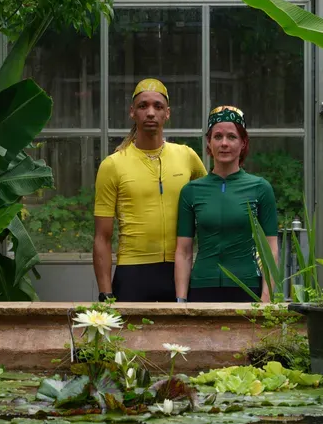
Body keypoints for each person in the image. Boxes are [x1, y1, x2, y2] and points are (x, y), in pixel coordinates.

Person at [93, 79, 207, 302]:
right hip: (132, 272)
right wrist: (105, 294)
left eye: (158, 106)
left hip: (180, 272)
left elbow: (210, 205)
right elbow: (102, 237)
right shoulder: (113, 164)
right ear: (132, 112)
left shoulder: (187, 156)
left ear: (167, 113)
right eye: (143, 106)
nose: (151, 113)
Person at [175, 106, 279, 303]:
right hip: (202, 287)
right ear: (208, 142)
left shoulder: (260, 188)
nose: (224, 143)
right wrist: (181, 300)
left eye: (232, 137)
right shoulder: (191, 191)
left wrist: (266, 299)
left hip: (247, 287)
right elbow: (184, 251)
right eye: (218, 136)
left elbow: (271, 249)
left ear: (243, 143)